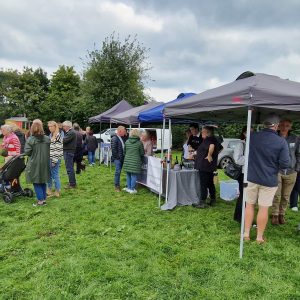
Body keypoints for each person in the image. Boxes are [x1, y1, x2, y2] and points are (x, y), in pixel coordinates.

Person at [244, 114, 290, 244]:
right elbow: (285, 164)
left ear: (264, 125)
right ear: (275, 126)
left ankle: (246, 234)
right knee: (263, 208)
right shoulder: (281, 141)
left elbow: (246, 154)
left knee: (250, 205)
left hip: (251, 177)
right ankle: (259, 237)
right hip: (269, 180)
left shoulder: (252, 136)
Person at [271, 119, 300, 225]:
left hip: (291, 171)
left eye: (287, 125)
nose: (284, 127)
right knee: (277, 195)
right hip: (277, 170)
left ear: (290, 127)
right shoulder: (274, 137)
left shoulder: (295, 138)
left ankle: (281, 214)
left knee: (286, 196)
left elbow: (298, 154)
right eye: (282, 125)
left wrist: (297, 168)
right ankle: (274, 214)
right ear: (278, 126)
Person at [24, 119, 50, 206]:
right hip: (45, 162)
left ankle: (40, 201)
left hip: (34, 162)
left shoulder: (30, 139)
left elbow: (27, 152)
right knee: (43, 180)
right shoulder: (47, 138)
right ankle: (44, 199)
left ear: (32, 128)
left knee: (36, 181)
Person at [193, 126, 220, 208]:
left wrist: (209, 155)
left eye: (203, 131)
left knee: (203, 184)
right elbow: (219, 148)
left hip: (205, 166)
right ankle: (213, 199)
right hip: (209, 166)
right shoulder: (213, 139)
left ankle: (202, 202)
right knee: (210, 183)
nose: (201, 133)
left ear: (208, 132)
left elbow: (212, 146)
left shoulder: (210, 139)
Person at [233, 126, 254, 223]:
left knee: (248, 196)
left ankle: (241, 217)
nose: (251, 134)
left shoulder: (254, 144)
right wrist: (251, 157)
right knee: (244, 196)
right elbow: (238, 160)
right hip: (243, 174)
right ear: (244, 133)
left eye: (253, 132)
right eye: (249, 132)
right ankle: (240, 217)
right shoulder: (241, 144)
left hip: (252, 174)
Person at [123, 129, 145, 194]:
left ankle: (129, 188)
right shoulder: (139, 143)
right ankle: (132, 189)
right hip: (135, 161)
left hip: (127, 160)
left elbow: (124, 152)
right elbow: (142, 153)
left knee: (128, 174)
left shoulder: (127, 141)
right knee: (134, 175)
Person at [47, 121, 63, 197]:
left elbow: (58, 149)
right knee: (49, 174)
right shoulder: (50, 135)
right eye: (49, 126)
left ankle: (57, 190)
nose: (49, 128)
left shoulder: (58, 135)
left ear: (55, 126)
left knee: (55, 175)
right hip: (49, 158)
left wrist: (54, 160)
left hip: (54, 158)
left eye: (51, 126)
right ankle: (49, 189)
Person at [111, 126, 127, 192]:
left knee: (119, 172)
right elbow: (114, 150)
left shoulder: (122, 138)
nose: (125, 132)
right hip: (118, 159)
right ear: (120, 131)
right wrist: (118, 158)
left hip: (122, 158)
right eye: (124, 131)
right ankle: (116, 186)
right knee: (117, 172)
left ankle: (120, 185)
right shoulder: (115, 138)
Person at [62, 120, 77, 189]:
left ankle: (72, 184)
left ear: (67, 126)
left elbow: (63, 141)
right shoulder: (70, 132)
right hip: (68, 152)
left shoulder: (71, 132)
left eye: (64, 126)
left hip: (68, 152)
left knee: (69, 169)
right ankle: (72, 183)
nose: (63, 127)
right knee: (70, 168)